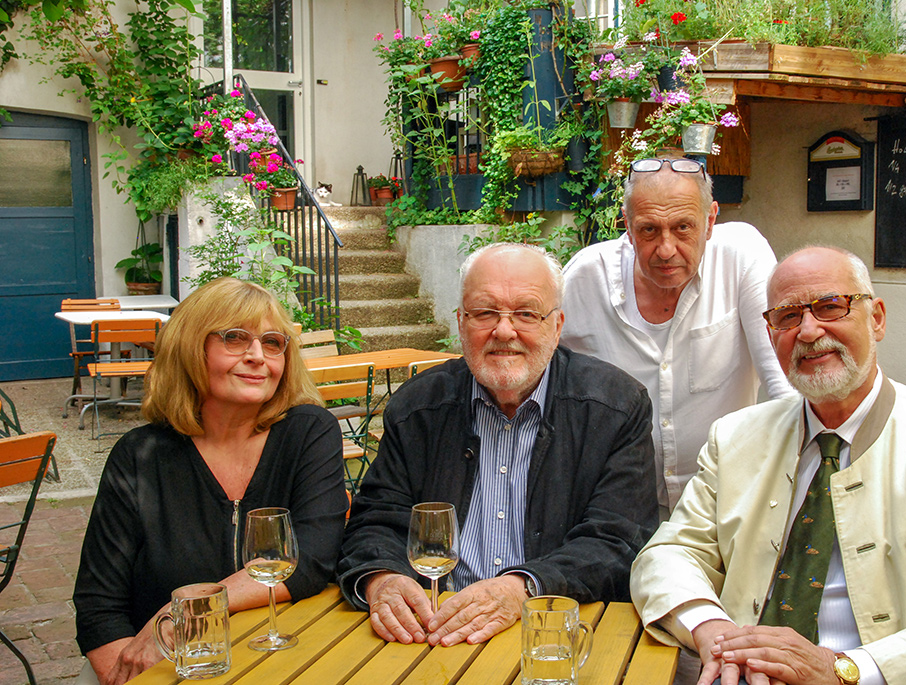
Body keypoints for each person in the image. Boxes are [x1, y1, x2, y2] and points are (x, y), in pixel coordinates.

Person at [630, 246, 906, 685]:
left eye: (830, 306)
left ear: (876, 317)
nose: (809, 330)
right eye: (787, 316)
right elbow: (670, 554)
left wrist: (845, 670)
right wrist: (713, 631)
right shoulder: (735, 438)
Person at [337, 242, 658, 648]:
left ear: (557, 326)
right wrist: (383, 578)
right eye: (485, 313)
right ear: (460, 322)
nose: (504, 331)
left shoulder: (616, 407)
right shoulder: (417, 407)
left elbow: (617, 542)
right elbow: (375, 520)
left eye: (526, 313)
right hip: (432, 630)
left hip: (556, 633)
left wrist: (521, 588)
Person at [73, 278, 350, 685]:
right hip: (164, 664)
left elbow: (309, 560)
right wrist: (126, 674)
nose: (258, 356)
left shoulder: (307, 433)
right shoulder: (139, 455)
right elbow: (99, 606)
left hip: (282, 660)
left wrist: (179, 613)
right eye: (235, 339)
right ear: (189, 348)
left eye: (273, 343)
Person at [561, 156, 792, 518]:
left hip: (727, 503)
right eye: (649, 230)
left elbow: (785, 382)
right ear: (626, 224)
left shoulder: (741, 258)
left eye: (683, 227)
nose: (666, 250)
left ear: (711, 220)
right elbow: (547, 386)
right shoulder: (587, 278)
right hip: (619, 509)